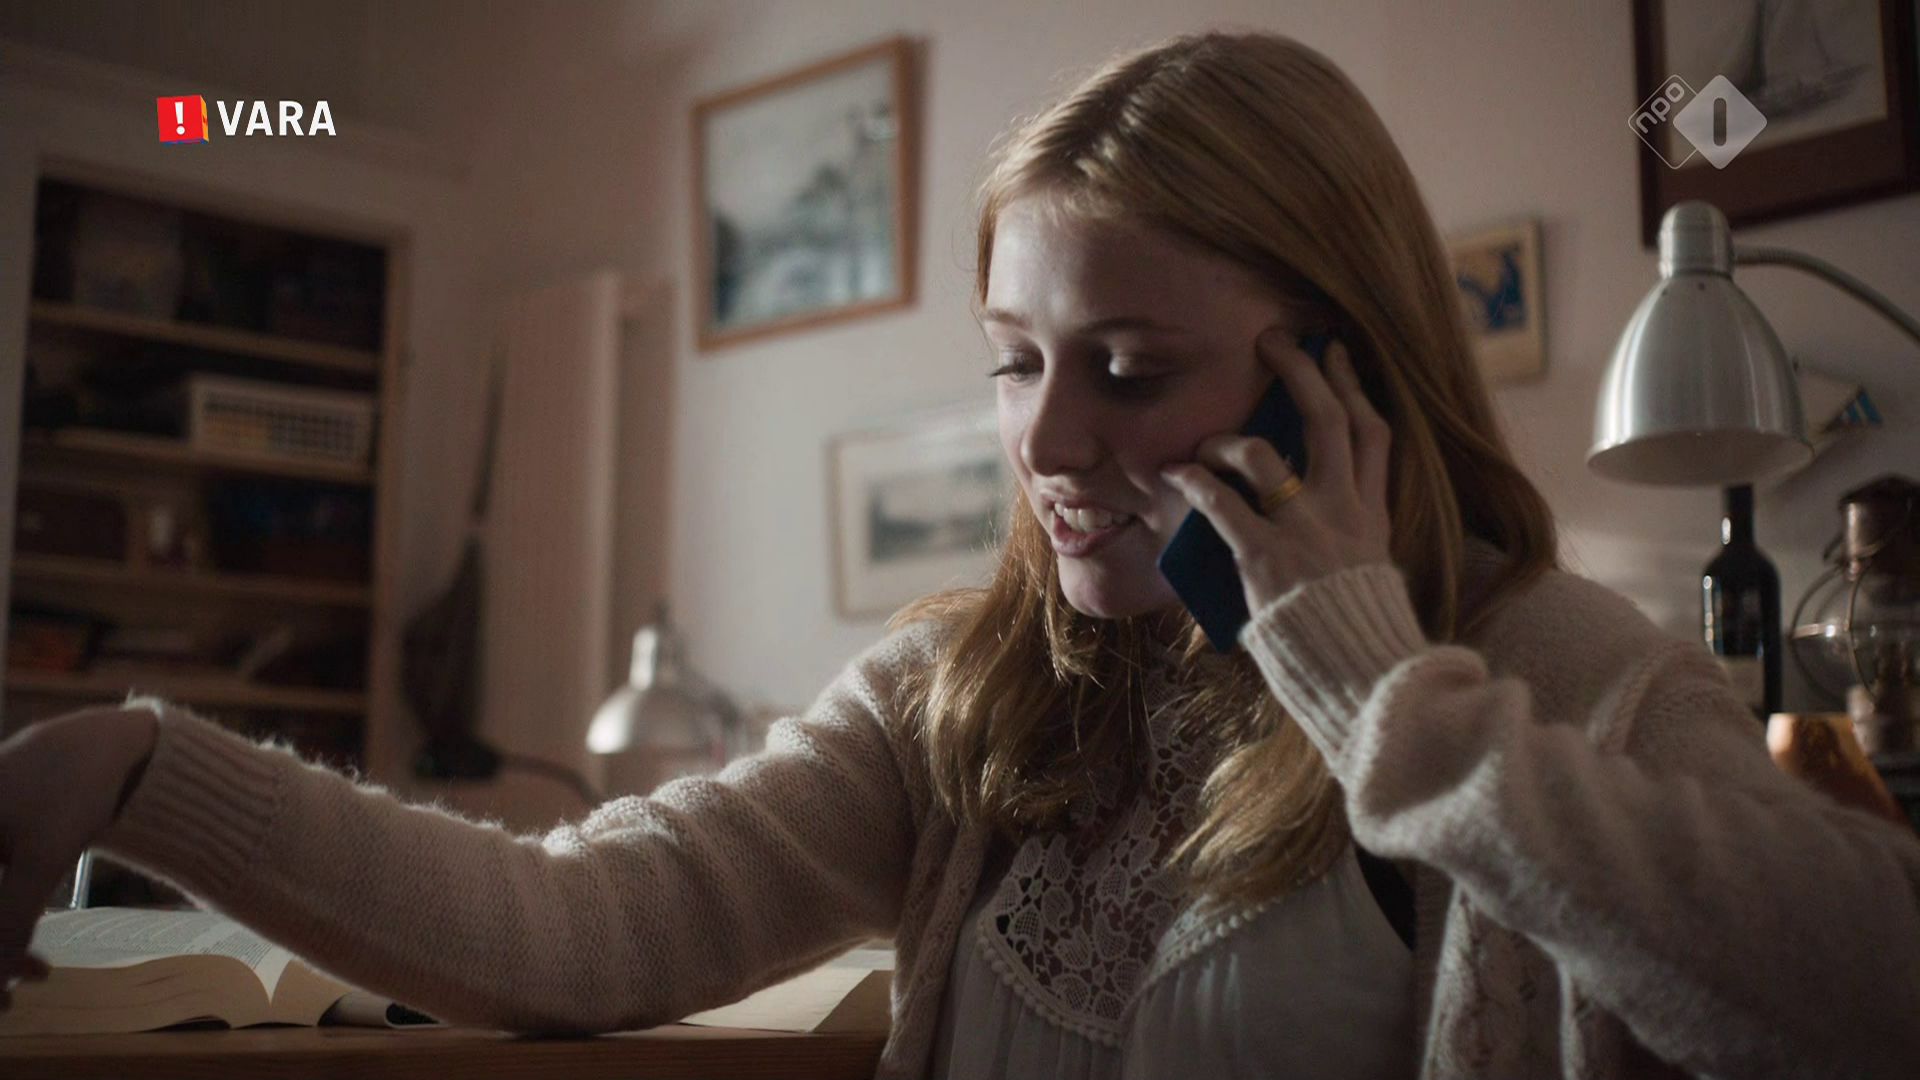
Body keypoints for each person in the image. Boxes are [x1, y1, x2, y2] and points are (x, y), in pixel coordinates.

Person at [2, 29, 1917, 1080]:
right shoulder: (962, 693)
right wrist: (142, 768)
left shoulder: (1549, 673)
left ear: (1343, 376)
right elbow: (578, 928)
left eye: (1131, 369)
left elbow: (1870, 998)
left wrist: (1377, 698)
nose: (1052, 444)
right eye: (1015, 362)